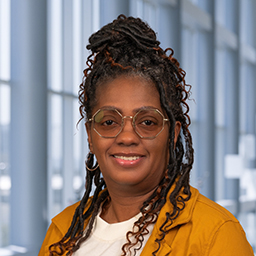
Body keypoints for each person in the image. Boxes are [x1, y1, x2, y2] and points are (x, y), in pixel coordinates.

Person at [39, 15, 254, 256]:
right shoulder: (63, 231)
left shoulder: (215, 235)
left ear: (172, 135)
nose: (127, 137)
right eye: (109, 121)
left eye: (148, 122)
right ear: (90, 135)